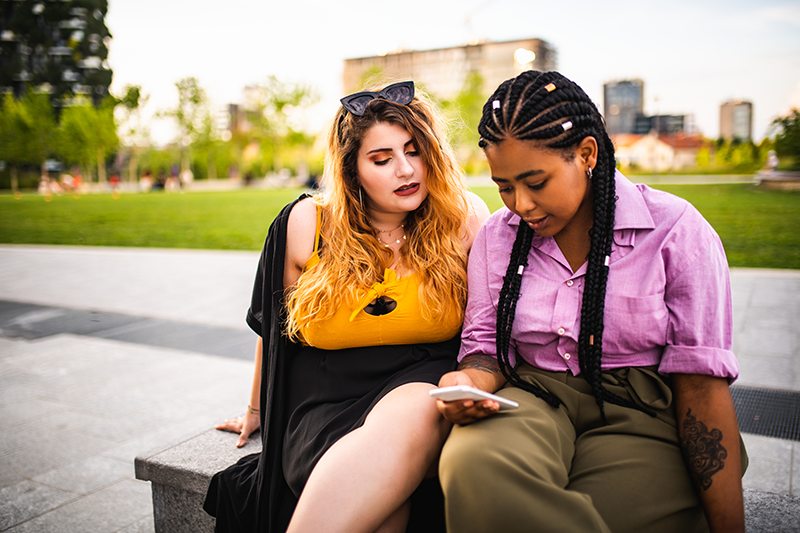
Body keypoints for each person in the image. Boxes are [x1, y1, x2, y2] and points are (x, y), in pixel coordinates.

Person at [435, 71, 747, 533]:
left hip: (640, 409)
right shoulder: (497, 239)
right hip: (533, 396)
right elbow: (485, 347)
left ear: (586, 154)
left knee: (602, 513)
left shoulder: (676, 230)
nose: (518, 203)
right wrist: (466, 379)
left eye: (535, 182)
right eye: (504, 186)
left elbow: (701, 387)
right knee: (470, 465)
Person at [204, 80, 490, 533]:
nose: (404, 169)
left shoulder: (465, 219)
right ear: (351, 169)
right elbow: (272, 330)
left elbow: (492, 328)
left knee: (411, 422)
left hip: (421, 382)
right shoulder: (306, 224)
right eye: (382, 159)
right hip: (322, 401)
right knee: (383, 505)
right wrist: (257, 411)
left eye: (414, 151)